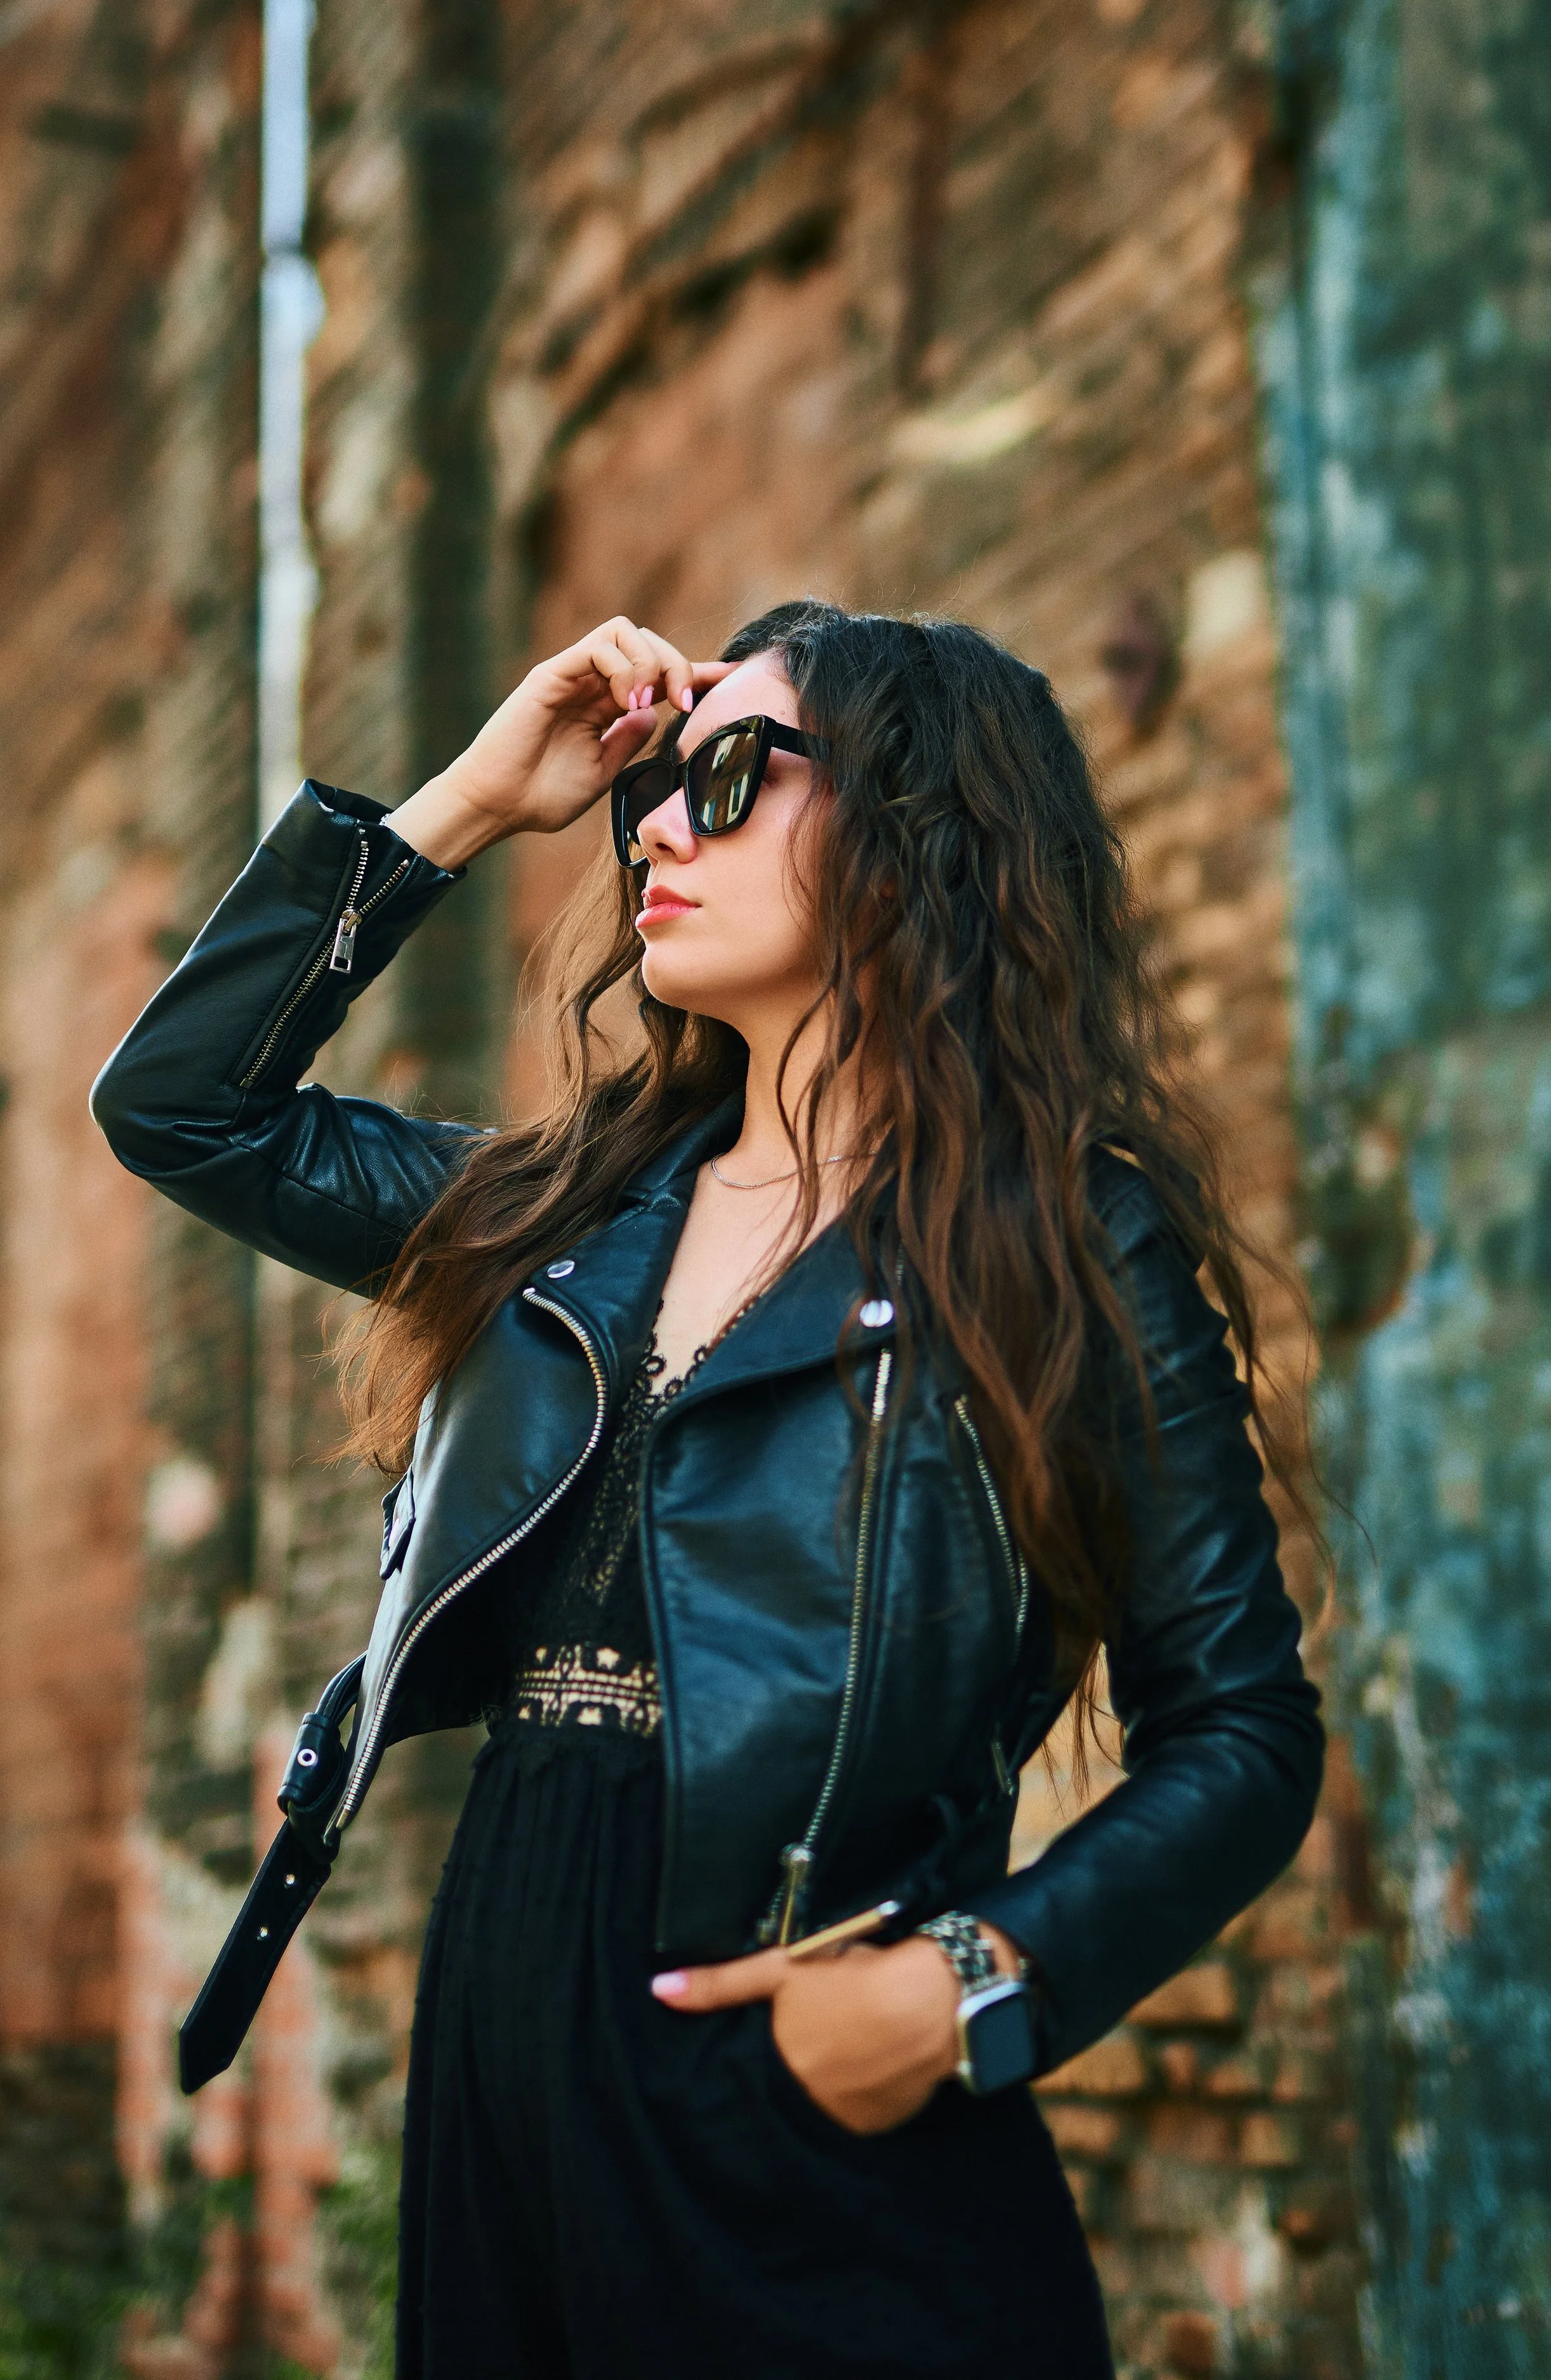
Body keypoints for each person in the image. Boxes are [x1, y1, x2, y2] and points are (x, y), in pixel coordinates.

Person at [93, 600, 1324, 2378]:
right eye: (651, 787)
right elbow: (180, 1106)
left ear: (917, 825)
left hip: (806, 2070)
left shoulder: (1064, 1243)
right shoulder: (562, 1220)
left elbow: (1240, 1729)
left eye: (732, 772)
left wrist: (963, 1986)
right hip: (505, 2010)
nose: (660, 823)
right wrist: (465, 801)